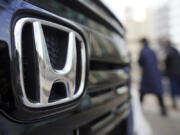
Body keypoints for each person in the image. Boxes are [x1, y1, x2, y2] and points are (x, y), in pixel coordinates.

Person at [138, 38, 167, 115]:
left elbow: (140, 62)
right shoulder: (153, 51)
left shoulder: (143, 51)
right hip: (155, 74)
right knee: (158, 92)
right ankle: (163, 109)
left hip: (147, 75)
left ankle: (138, 109)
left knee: (143, 92)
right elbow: (157, 62)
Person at [163, 39, 180, 109]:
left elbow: (166, 62)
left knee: (173, 89)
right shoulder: (175, 51)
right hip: (178, 72)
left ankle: (174, 103)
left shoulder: (169, 51)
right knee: (177, 88)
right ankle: (175, 103)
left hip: (173, 73)